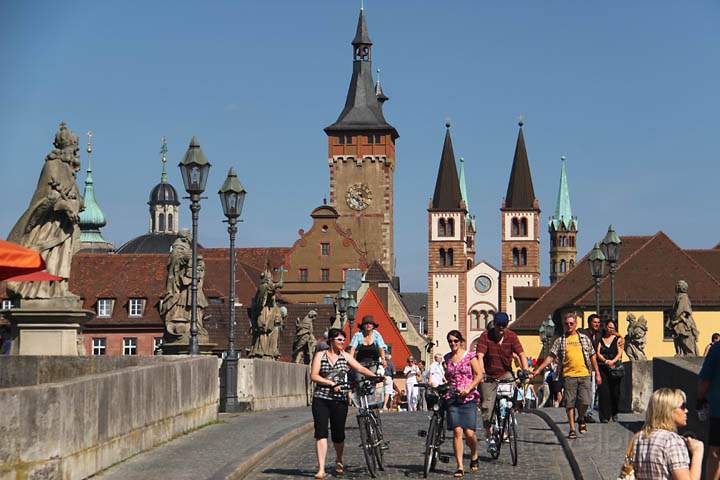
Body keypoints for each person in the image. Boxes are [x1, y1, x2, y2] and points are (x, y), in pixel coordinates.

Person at [310, 327, 378, 479]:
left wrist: (375, 376)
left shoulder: (345, 356)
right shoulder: (320, 355)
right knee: (320, 432)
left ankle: (339, 460)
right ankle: (321, 469)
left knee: (338, 434)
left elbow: (359, 367)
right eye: (339, 339)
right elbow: (314, 375)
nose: (342, 342)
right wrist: (330, 383)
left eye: (343, 340)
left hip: (339, 400)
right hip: (321, 398)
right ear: (331, 341)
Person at [531, 311, 602, 439]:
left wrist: (597, 373)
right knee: (570, 403)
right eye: (567, 323)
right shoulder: (560, 340)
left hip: (585, 374)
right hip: (569, 376)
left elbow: (592, 356)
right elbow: (551, 357)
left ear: (575, 324)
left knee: (586, 401)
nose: (569, 325)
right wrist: (538, 370)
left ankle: (580, 418)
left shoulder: (584, 338)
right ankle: (572, 429)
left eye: (571, 323)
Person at [475, 311, 528, 451]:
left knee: (511, 394)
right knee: (487, 407)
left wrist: (525, 370)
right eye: (499, 325)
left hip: (505, 373)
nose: (501, 328)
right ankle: (490, 435)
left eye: (504, 325)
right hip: (489, 375)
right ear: (495, 324)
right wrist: (481, 374)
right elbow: (480, 356)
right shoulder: (486, 336)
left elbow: (521, 354)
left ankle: (508, 418)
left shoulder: (511, 336)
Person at [632, 388, 704, 480]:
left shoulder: (639, 437)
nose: (686, 410)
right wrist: (698, 452)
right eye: (682, 406)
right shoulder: (672, 441)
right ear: (668, 410)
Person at [444, 330, 482, 477]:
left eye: (455, 341)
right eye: (450, 341)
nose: (453, 343)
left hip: (468, 397)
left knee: (469, 433)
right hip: (453, 398)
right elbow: (448, 377)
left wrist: (468, 388)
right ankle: (459, 466)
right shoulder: (447, 358)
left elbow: (479, 374)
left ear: (460, 341)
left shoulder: (469, 356)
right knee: (457, 431)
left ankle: (474, 454)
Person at [698, 339, 720, 480]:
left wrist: (700, 400)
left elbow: (704, 381)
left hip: (718, 410)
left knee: (715, 453)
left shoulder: (717, 349)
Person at [596, 320, 624, 422]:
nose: (610, 329)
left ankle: (614, 412)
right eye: (609, 327)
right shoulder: (601, 339)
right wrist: (605, 360)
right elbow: (598, 353)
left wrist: (613, 361)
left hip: (614, 369)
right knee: (604, 392)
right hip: (603, 367)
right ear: (605, 327)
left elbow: (620, 353)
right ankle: (604, 416)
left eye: (612, 328)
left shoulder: (618, 339)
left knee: (615, 392)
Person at [581, 314, 603, 423]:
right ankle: (583, 413)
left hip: (595, 366)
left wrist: (620, 337)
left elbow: (611, 332)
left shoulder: (599, 334)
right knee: (584, 391)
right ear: (589, 323)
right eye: (595, 322)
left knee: (592, 391)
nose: (597, 324)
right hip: (583, 366)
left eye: (598, 323)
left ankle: (588, 413)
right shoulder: (583, 334)